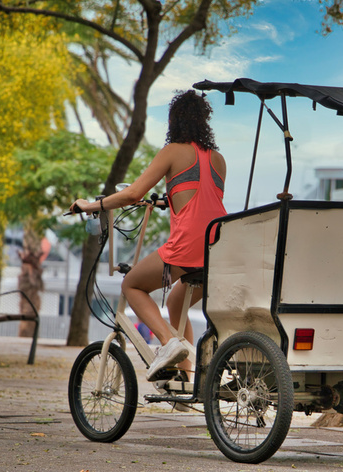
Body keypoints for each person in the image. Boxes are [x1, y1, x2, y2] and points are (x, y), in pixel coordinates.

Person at [70, 90, 226, 381]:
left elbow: (132, 193)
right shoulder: (218, 159)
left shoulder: (172, 151)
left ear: (174, 121)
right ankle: (184, 380)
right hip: (218, 246)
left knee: (132, 285)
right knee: (175, 303)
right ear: (204, 121)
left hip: (188, 243)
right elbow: (202, 198)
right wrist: (167, 201)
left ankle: (168, 344)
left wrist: (88, 205)